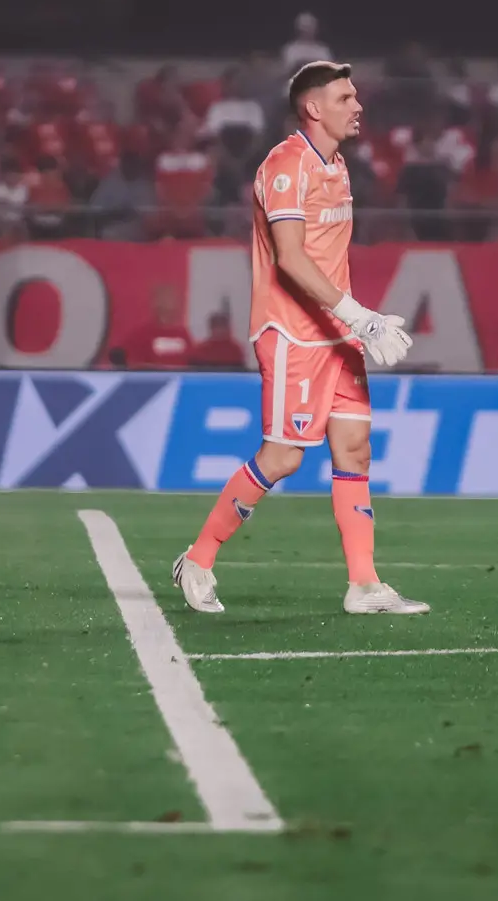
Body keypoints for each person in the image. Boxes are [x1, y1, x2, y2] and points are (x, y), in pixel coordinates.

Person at [172, 61, 426, 618]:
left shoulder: (336, 167)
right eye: (345, 97)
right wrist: (359, 315)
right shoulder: (286, 166)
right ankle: (198, 559)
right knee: (283, 457)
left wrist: (352, 321)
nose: (358, 106)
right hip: (293, 331)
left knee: (355, 449)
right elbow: (289, 259)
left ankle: (364, 585)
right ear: (314, 107)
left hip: (338, 332)